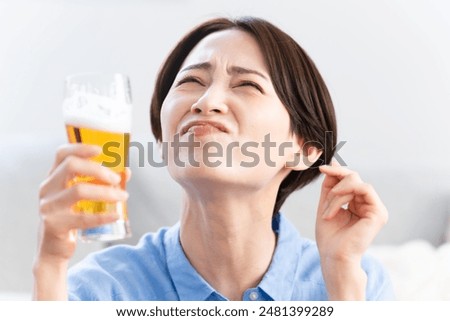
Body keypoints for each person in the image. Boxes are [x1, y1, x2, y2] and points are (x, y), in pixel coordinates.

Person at [33, 16, 394, 301]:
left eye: (246, 85)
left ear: (304, 149)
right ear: (164, 138)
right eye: (190, 81)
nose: (206, 102)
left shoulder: (355, 281)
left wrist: (342, 279)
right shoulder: (101, 290)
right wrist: (49, 265)